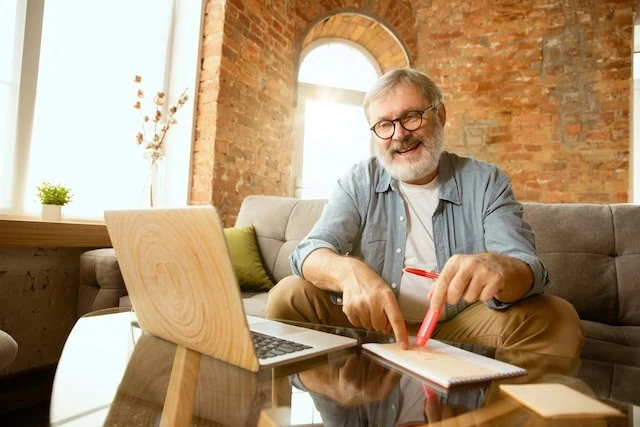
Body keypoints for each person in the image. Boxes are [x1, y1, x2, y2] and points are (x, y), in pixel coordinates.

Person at [265, 68, 583, 358]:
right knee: (289, 295)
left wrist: (497, 266)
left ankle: (487, 419)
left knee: (556, 318)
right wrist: (350, 274)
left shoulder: (486, 181)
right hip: (371, 325)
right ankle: (336, 394)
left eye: (412, 117)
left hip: (458, 328)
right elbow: (308, 253)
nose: (400, 134)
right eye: (385, 125)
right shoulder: (358, 180)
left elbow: (529, 270)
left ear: (440, 114)